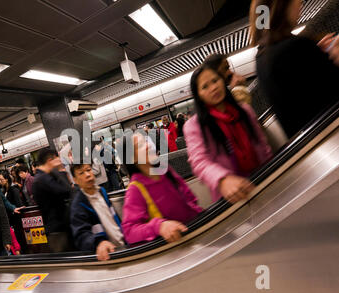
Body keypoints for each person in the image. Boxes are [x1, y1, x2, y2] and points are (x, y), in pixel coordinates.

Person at [184, 65, 273, 203]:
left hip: (263, 179)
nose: (213, 87)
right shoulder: (194, 126)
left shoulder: (244, 110)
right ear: (198, 95)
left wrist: (272, 169)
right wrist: (223, 180)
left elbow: (261, 143)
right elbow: (199, 161)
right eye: (205, 86)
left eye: (215, 81)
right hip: (232, 197)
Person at [250, 0, 339, 138]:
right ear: (281, 6)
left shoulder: (262, 58)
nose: (300, 3)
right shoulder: (297, 47)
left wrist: (318, 55)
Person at [121, 133, 203, 245]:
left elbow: (189, 197)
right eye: (140, 145)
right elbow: (129, 232)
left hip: (196, 231)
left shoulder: (165, 170)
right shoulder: (136, 189)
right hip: (175, 246)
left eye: (146, 141)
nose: (147, 146)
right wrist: (159, 226)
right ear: (132, 158)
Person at [70, 163, 124, 261]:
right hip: (108, 254)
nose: (87, 174)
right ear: (75, 180)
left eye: (88, 170)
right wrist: (98, 243)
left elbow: (113, 218)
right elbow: (81, 235)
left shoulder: (102, 191)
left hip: (122, 246)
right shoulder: (78, 205)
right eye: (81, 173)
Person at [32, 148, 74, 253]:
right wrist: (62, 170)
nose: (60, 160)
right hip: (57, 230)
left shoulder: (43, 177)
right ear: (50, 160)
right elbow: (66, 190)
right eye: (57, 158)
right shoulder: (42, 179)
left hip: (59, 227)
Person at [0, 170, 27, 253]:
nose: (0, 182)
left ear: (6, 179)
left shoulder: (13, 190)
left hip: (16, 220)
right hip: (11, 221)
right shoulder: (3, 191)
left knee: (20, 240)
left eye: (1, 180)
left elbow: (18, 204)